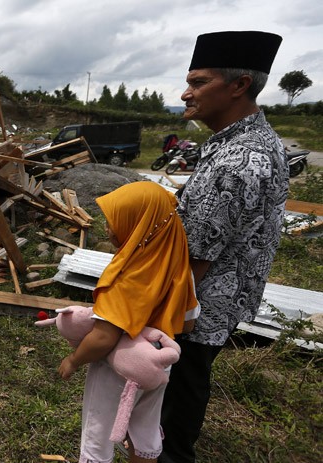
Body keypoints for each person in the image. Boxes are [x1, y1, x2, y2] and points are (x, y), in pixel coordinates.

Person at [159, 31, 288, 463]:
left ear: (238, 86)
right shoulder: (241, 142)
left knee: (177, 397)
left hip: (197, 306)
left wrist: (155, 313)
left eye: (198, 82)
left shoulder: (239, 160)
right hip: (216, 300)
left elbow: (194, 260)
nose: (186, 93)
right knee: (184, 387)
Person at [42, 181, 199, 463]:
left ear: (139, 226)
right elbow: (188, 323)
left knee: (97, 434)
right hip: (157, 365)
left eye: (115, 222)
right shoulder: (178, 266)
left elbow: (104, 338)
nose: (107, 229)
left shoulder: (128, 277)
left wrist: (74, 360)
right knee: (145, 428)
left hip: (118, 371)